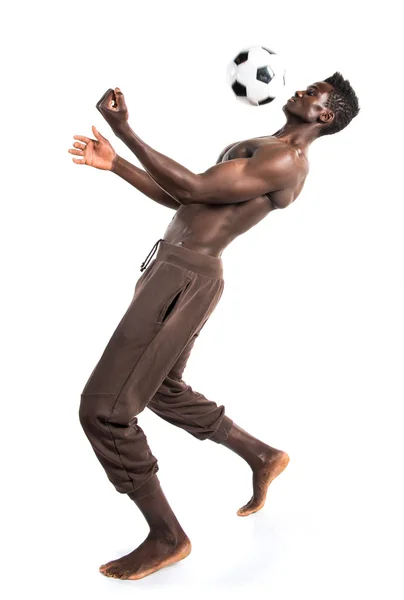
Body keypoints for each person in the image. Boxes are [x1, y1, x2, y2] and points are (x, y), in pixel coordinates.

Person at [68, 72, 360, 581]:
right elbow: (186, 200)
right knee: (161, 391)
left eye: (313, 92)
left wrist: (126, 133)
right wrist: (116, 165)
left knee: (103, 410)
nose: (301, 90)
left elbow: (193, 185)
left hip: (185, 275)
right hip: (170, 267)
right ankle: (261, 454)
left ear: (325, 116)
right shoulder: (267, 146)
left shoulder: (286, 161)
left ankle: (166, 536)